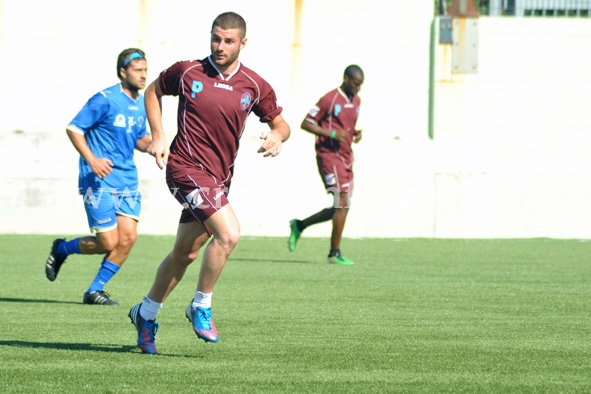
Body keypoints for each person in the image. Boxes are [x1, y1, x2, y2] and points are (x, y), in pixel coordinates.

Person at [128, 11, 290, 354]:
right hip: (184, 169)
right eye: (215, 38)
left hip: (219, 180)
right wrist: (159, 136)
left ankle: (146, 313)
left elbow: (281, 123)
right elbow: (153, 91)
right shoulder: (188, 71)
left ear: (242, 43)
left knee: (185, 254)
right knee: (229, 234)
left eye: (228, 41)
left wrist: (277, 136)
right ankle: (201, 305)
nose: (219, 46)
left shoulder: (255, 85)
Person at [44, 48, 152, 306]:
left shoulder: (141, 104)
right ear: (123, 72)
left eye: (146, 70)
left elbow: (138, 138)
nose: (144, 75)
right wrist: (92, 160)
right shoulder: (104, 99)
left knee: (128, 239)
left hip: (127, 180)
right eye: (138, 70)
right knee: (107, 242)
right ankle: (61, 249)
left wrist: (156, 147)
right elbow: (74, 128)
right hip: (99, 181)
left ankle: (94, 291)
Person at [288, 65, 364, 265]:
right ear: (346, 78)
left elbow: (346, 127)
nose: (358, 89)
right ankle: (334, 253)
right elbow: (306, 123)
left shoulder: (356, 101)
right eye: (356, 84)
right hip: (329, 156)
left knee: (342, 206)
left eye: (360, 85)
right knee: (343, 202)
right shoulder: (329, 99)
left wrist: (354, 134)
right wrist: (331, 134)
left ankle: (300, 225)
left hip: (346, 157)